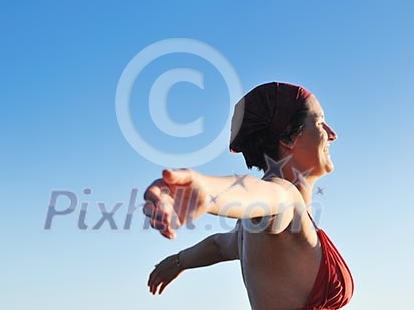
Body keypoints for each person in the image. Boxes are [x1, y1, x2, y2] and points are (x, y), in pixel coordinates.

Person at [143, 82, 354, 310]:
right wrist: (205, 190)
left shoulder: (250, 228)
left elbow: (219, 245)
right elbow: (261, 193)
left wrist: (179, 261)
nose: (332, 134)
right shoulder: (284, 197)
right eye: (320, 122)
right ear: (289, 138)